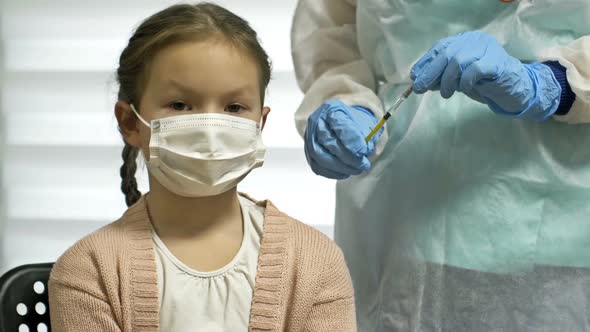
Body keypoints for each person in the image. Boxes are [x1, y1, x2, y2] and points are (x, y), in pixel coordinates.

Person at [48, 3, 356, 331]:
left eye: (234, 107)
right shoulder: (89, 272)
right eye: (180, 105)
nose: (210, 127)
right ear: (130, 122)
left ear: (259, 124)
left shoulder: (315, 264)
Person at [291, 0, 590, 331]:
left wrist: (556, 84)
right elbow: (330, 30)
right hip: (403, 213)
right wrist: (345, 102)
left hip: (564, 223)